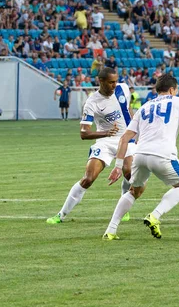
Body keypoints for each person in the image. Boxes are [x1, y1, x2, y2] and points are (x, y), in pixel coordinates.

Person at [103, 75, 179, 240]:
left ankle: (110, 230)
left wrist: (118, 165)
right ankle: (154, 216)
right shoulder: (178, 101)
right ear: (172, 90)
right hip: (162, 154)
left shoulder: (144, 106)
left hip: (139, 155)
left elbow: (124, 138)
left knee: (134, 191)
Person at [46, 68, 136, 224]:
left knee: (129, 172)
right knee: (88, 178)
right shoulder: (92, 102)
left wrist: (136, 129)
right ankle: (61, 215)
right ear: (100, 81)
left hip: (127, 139)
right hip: (105, 140)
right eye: (111, 82)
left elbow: (128, 109)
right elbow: (84, 133)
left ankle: (123, 203)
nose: (115, 85)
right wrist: (106, 133)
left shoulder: (123, 89)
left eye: (116, 81)